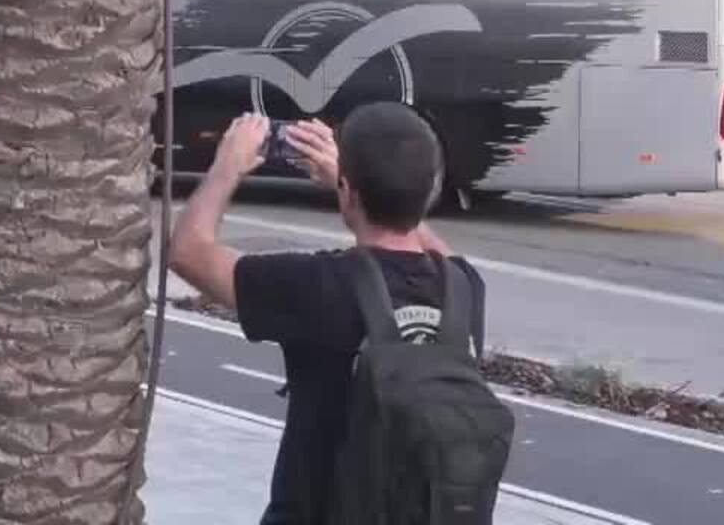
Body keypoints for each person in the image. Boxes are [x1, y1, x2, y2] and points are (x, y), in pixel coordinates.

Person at [168, 103, 487, 524]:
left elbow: (187, 252)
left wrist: (227, 166)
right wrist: (349, 178)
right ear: (430, 192)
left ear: (348, 192)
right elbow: (441, 254)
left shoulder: (320, 284)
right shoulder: (463, 290)